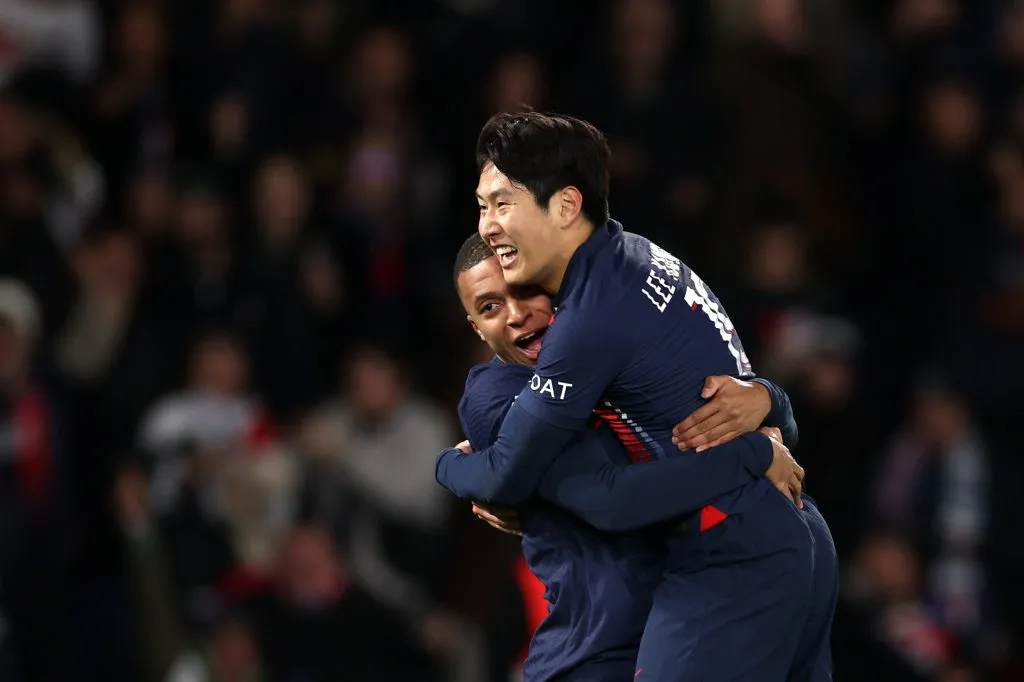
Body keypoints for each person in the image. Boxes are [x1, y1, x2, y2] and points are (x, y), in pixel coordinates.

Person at [436, 111, 837, 681]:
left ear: (566, 206)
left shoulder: (587, 323)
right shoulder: (644, 261)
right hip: (788, 535)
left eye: (503, 204)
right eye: (491, 307)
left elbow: (551, 486)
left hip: (730, 555)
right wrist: (772, 410)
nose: (492, 225)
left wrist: (449, 466)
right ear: (473, 328)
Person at [450, 232, 802, 681]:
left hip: (684, 617)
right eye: (490, 307)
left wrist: (768, 399)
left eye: (525, 291)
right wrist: (454, 470)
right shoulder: (496, 395)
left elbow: (767, 426)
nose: (517, 316)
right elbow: (610, 500)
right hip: (592, 651)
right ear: (476, 327)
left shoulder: (619, 357)